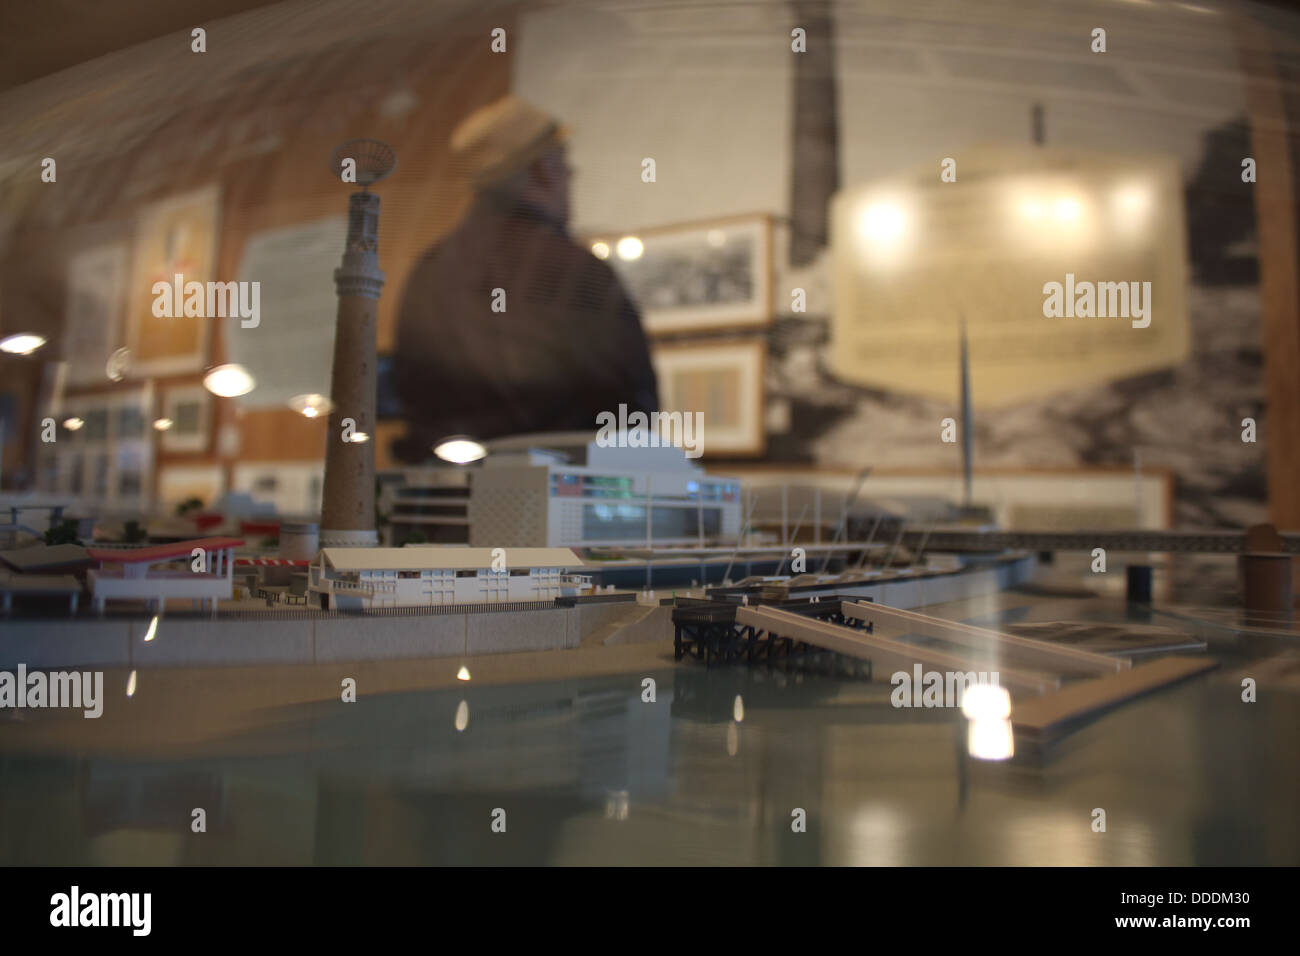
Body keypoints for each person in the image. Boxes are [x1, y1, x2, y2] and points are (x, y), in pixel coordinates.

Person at [393, 95, 658, 462]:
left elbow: (412, 401)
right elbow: (631, 414)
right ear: (543, 169)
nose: (571, 174)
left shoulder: (428, 271)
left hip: (446, 503)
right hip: (562, 504)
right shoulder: (575, 271)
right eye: (565, 162)